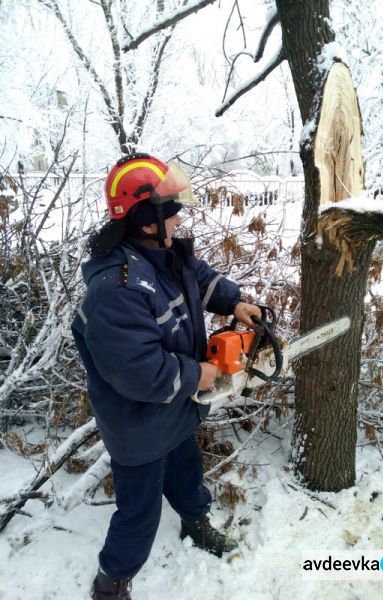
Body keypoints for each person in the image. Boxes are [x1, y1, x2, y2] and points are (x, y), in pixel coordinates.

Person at [71, 152, 261, 600]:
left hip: (174, 410)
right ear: (145, 217)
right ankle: (111, 583)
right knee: (138, 515)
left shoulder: (161, 254)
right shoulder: (117, 289)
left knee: (187, 472)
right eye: (170, 210)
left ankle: (196, 523)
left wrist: (233, 302)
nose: (178, 218)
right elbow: (138, 372)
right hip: (137, 424)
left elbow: (199, 277)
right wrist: (200, 373)